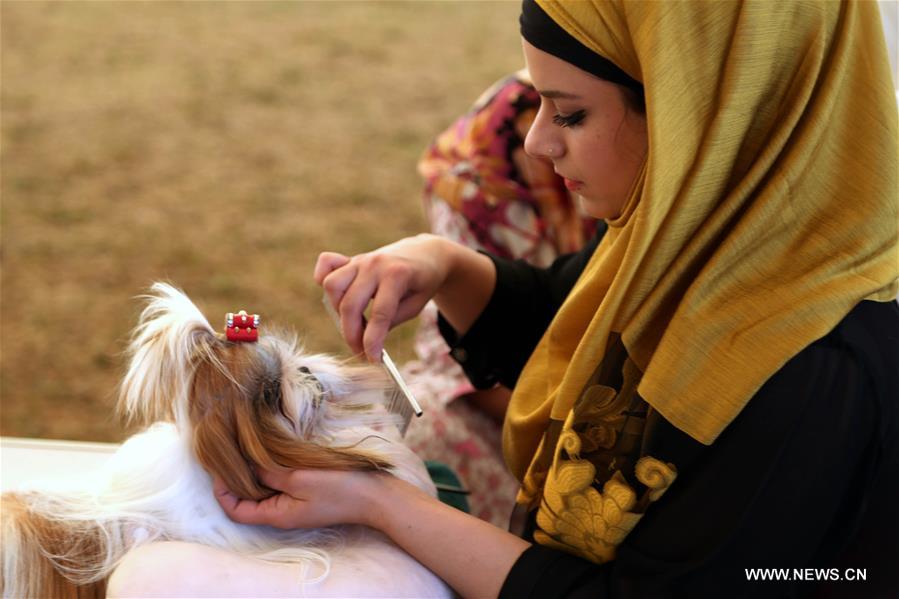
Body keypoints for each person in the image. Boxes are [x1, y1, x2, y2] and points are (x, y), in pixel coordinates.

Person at [122, 1, 899, 596]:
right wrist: (447, 268)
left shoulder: (819, 373)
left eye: (568, 113)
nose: (535, 145)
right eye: (535, 105)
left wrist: (385, 503)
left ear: (699, 119)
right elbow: (576, 329)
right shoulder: (694, 236)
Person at [404, 68, 598, 527]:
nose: (538, 142)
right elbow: (462, 361)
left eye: (570, 115)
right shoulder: (473, 184)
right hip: (503, 403)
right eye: (542, 114)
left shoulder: (639, 208)